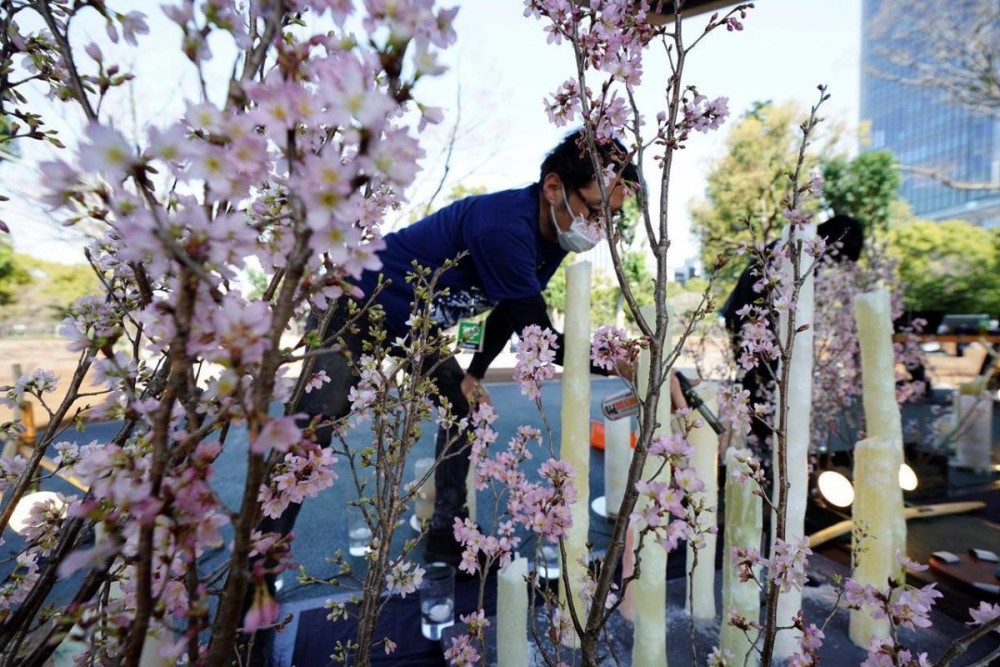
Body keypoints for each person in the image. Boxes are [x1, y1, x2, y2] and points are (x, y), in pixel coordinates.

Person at [254, 129, 641, 580]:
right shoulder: (504, 228)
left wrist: (473, 374)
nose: (600, 229)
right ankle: (258, 565)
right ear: (554, 187)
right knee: (308, 438)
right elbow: (540, 339)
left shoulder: (551, 234)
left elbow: (510, 310)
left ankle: (445, 535)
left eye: (610, 219)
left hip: (417, 329)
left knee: (463, 409)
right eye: (595, 211)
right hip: (355, 306)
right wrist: (616, 360)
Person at [719, 214, 864, 464]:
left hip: (755, 324)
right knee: (765, 387)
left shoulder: (795, 248)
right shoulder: (800, 254)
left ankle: (767, 446)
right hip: (755, 327)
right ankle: (766, 450)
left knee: (764, 387)